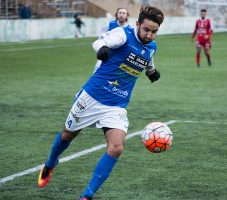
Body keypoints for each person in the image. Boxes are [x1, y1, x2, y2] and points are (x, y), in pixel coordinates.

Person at [38, 5, 164, 200]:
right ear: (138, 24)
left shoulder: (152, 46)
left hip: (116, 105)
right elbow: (98, 42)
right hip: (92, 96)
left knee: (117, 147)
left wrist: (151, 71)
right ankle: (50, 163)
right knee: (67, 135)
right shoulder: (122, 35)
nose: (149, 35)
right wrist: (103, 49)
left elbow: (148, 56)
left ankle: (87, 196)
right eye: (146, 29)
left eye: (154, 32)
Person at [93, 7, 131, 73]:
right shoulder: (110, 24)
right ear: (116, 14)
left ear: (127, 16)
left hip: (119, 56)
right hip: (107, 53)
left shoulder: (129, 29)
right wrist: (100, 49)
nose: (121, 15)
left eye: (124, 13)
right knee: (97, 71)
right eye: (120, 13)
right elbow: (101, 37)